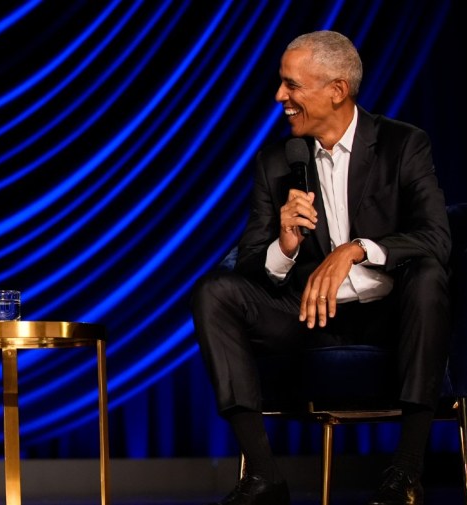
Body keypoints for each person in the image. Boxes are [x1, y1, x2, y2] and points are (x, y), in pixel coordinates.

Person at [190, 31, 450, 505]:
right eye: (281, 84)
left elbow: (436, 237)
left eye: (291, 86)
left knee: (430, 278)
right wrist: (285, 245)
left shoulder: (402, 144)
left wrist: (353, 249)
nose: (279, 97)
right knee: (214, 292)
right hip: (306, 315)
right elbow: (249, 263)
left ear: (336, 90)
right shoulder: (276, 162)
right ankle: (264, 476)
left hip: (386, 312)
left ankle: (406, 471)